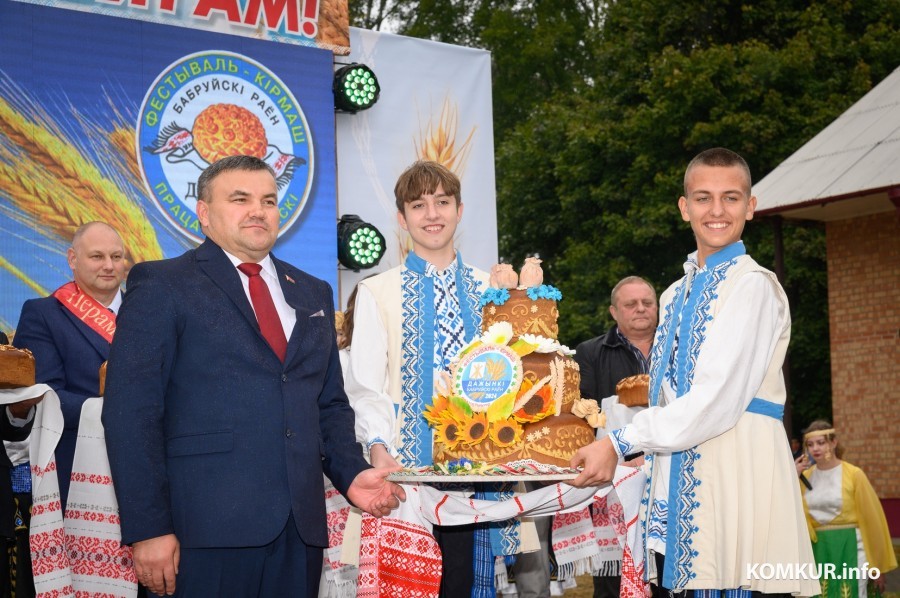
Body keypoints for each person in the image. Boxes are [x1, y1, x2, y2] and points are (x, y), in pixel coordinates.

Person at [102, 155, 405, 597]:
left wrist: (352, 473)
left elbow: (328, 405)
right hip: (200, 534)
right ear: (204, 213)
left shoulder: (313, 291)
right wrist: (148, 529)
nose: (258, 210)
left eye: (268, 200)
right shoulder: (163, 284)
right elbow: (131, 414)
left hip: (298, 532)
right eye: (239, 198)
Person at [570, 147, 819, 597]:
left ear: (751, 206)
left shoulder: (754, 287)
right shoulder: (673, 293)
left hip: (739, 467)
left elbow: (717, 399)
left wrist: (620, 442)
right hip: (677, 475)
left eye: (731, 197)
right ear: (685, 208)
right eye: (703, 197)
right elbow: (665, 398)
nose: (717, 210)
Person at [345, 160, 490, 596]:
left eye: (442, 202)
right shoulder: (377, 292)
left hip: (480, 475)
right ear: (401, 218)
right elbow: (364, 385)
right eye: (419, 205)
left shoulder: (491, 291)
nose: (432, 214)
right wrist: (377, 448)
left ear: (460, 210)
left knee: (468, 585)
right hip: (407, 474)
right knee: (413, 586)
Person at [13, 221, 125, 510]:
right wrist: (117, 411)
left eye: (116, 256)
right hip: (78, 467)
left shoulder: (148, 311)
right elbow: (44, 395)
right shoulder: (43, 314)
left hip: (153, 466)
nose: (109, 266)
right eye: (97, 256)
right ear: (73, 259)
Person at [573, 276, 658, 598]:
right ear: (614, 311)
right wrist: (621, 454)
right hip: (616, 478)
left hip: (667, 469)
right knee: (615, 576)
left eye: (647, 303)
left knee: (667, 567)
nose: (640, 309)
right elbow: (583, 416)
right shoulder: (591, 352)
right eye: (630, 304)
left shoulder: (677, 347)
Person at [796, 421, 897, 598]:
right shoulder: (804, 477)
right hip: (818, 548)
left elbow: (872, 520)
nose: (815, 449)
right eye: (810, 445)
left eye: (821, 442)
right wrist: (792, 476)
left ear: (833, 442)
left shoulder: (854, 474)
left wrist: (877, 565)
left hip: (851, 545)